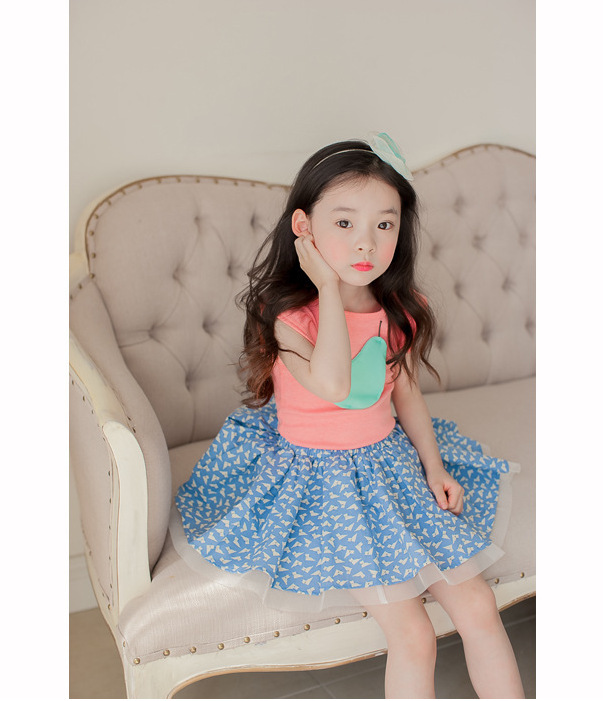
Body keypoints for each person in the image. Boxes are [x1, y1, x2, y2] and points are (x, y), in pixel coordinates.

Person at [170, 133, 525, 698]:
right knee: (415, 636)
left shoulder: (399, 309)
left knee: (479, 606)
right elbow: (334, 383)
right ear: (304, 228)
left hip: (388, 465)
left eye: (385, 224)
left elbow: (405, 393)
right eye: (344, 223)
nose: (367, 242)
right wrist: (328, 289)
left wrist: (434, 467)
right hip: (319, 481)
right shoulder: (289, 316)